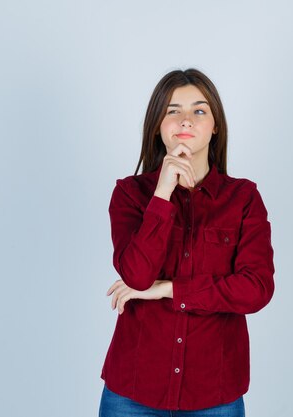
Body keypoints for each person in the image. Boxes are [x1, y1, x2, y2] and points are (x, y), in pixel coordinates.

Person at [99, 68, 275, 417]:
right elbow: (136, 276)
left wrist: (169, 289)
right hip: (133, 393)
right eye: (172, 110)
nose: (185, 120)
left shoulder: (243, 198)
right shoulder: (130, 195)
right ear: (157, 127)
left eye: (199, 110)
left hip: (215, 394)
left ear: (215, 126)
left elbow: (256, 289)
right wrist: (162, 193)